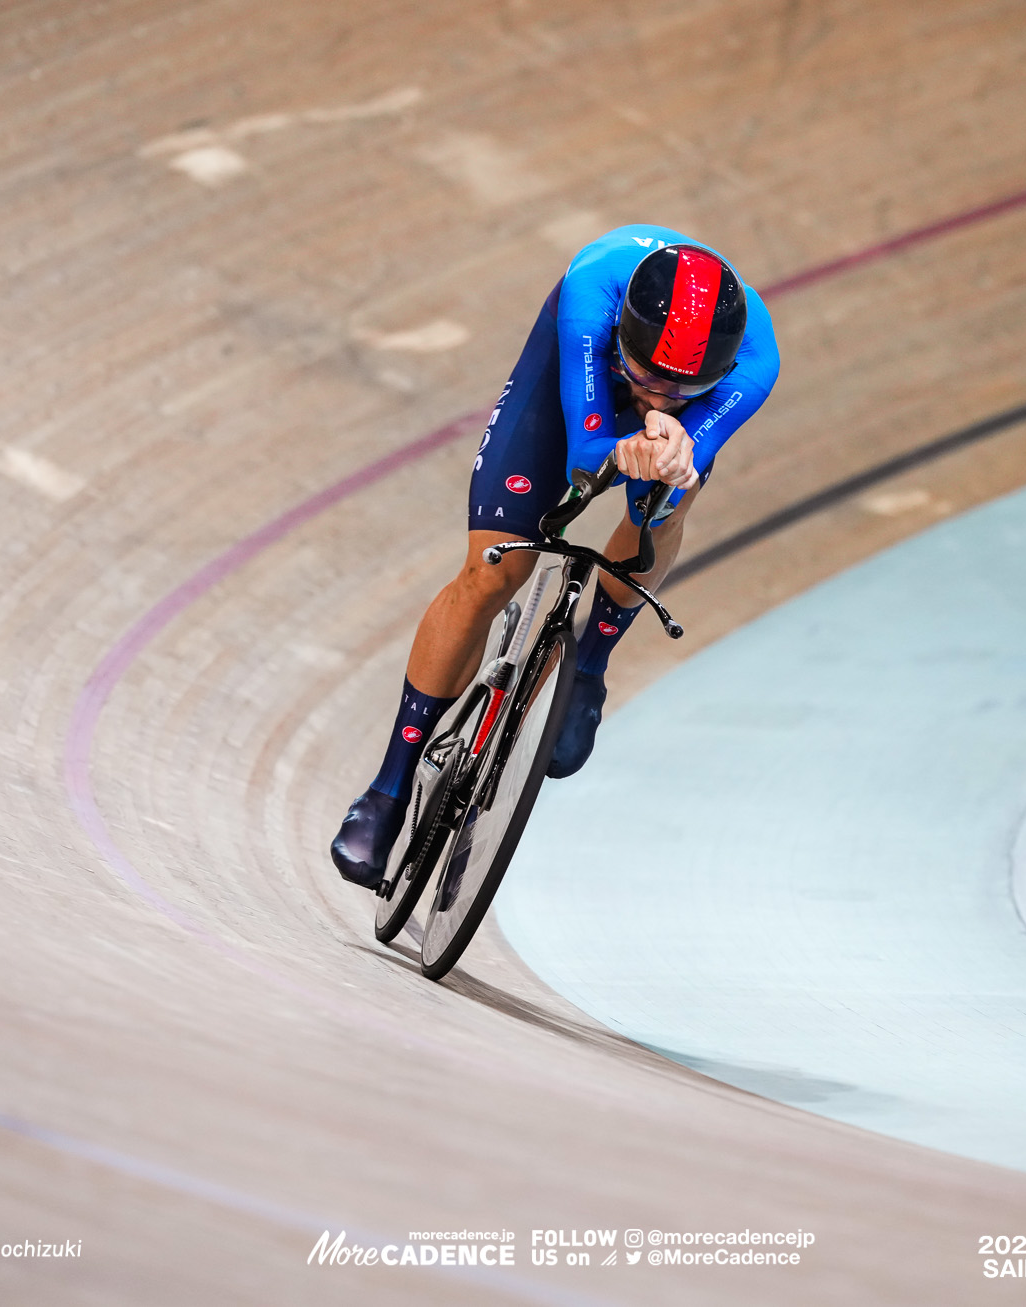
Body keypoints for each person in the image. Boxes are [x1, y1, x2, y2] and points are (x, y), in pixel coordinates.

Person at [331, 224, 781, 888]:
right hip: (571, 393)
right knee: (494, 572)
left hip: (666, 425)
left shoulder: (754, 362)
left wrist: (677, 447)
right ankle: (388, 790)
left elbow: (691, 451)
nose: (657, 396)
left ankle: (590, 661)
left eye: (678, 389)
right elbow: (583, 455)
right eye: (646, 377)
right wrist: (618, 446)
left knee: (664, 501)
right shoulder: (591, 297)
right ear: (622, 338)